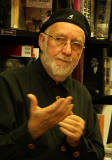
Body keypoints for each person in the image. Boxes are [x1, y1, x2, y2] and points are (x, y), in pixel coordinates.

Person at [0, 8, 105, 160]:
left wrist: (77, 143)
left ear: (81, 52)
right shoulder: (7, 84)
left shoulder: (81, 93)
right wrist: (30, 132)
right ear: (42, 41)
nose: (67, 50)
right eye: (59, 39)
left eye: (76, 44)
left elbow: (98, 153)